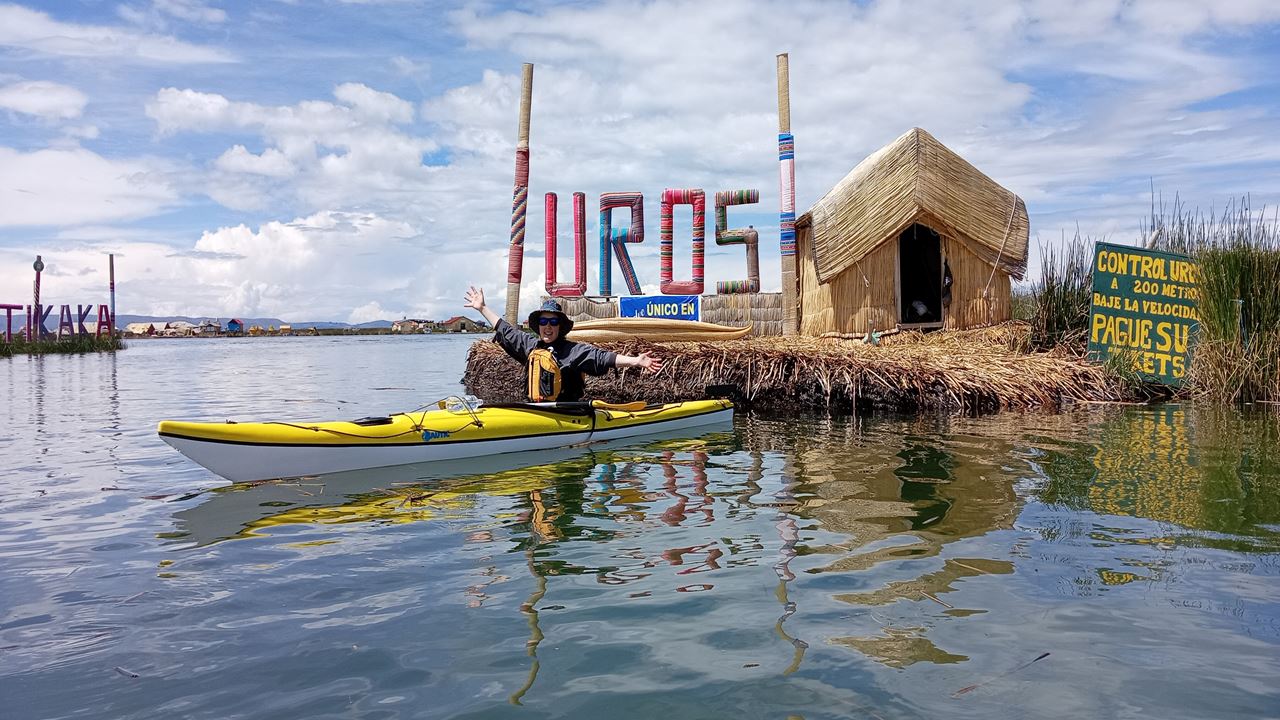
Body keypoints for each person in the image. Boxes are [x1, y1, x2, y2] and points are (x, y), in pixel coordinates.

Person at [464, 286, 663, 402]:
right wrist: (482, 308)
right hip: (535, 410)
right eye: (543, 322)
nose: (548, 327)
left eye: (553, 322)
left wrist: (636, 361)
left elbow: (603, 358)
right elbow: (505, 329)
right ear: (538, 326)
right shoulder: (531, 346)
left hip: (569, 414)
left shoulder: (573, 351)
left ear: (560, 326)